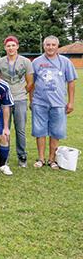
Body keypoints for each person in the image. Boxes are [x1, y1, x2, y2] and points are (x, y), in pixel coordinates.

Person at [31, 35, 77, 169]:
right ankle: (40, 159)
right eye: (47, 45)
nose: (50, 47)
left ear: (57, 46)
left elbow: (71, 82)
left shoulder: (65, 62)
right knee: (40, 131)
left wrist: (71, 102)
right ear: (43, 46)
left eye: (53, 45)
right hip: (40, 103)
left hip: (58, 104)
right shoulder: (36, 62)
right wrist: (32, 100)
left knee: (56, 132)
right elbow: (31, 83)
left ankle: (52, 159)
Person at [0, 36, 33, 167]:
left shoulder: (26, 61)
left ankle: (22, 156)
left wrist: (23, 94)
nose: (11, 48)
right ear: (5, 47)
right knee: (4, 129)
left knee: (20, 129)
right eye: (8, 46)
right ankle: (4, 156)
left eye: (13, 45)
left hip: (20, 99)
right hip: (5, 101)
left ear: (17, 46)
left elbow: (30, 82)